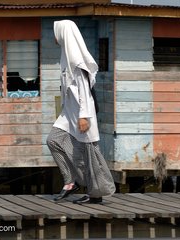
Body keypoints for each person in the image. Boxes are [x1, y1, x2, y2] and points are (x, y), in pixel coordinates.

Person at [46, 20, 116, 204]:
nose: (54, 36)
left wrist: (84, 116)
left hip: (81, 114)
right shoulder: (66, 56)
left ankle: (96, 194)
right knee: (53, 140)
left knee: (90, 154)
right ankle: (70, 181)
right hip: (68, 113)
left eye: (56, 32)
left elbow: (85, 90)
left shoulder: (76, 61)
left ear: (63, 34)